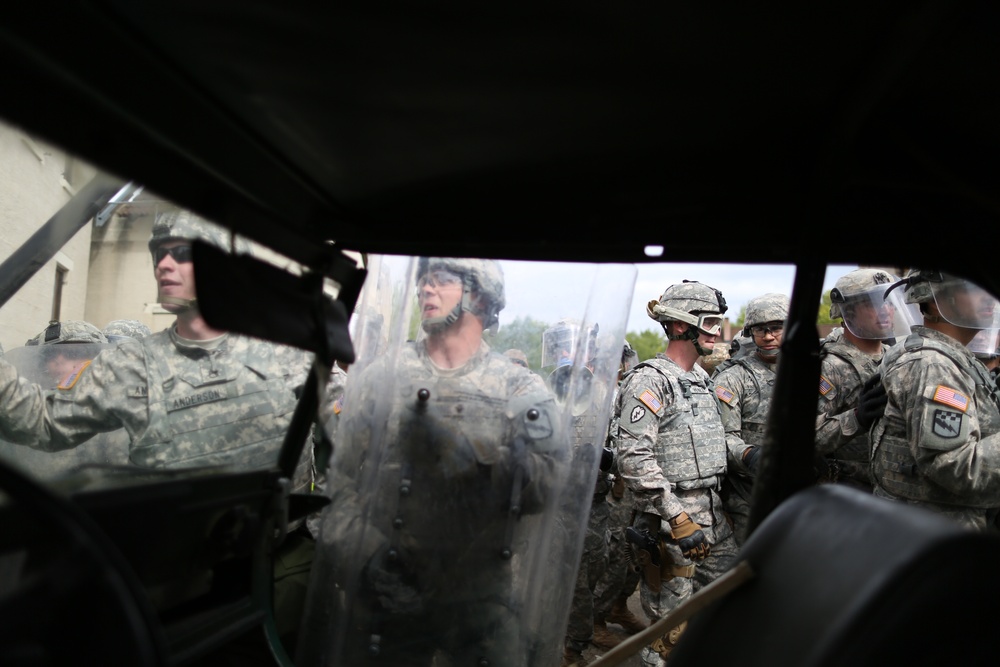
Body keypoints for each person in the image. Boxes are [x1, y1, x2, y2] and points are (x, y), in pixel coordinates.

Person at [0, 208, 340, 654]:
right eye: (159, 253)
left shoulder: (291, 350)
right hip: (175, 583)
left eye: (182, 253)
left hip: (278, 570)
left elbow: (353, 433)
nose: (163, 264)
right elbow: (44, 423)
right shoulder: (129, 363)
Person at [299, 257, 568, 667]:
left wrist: (480, 464)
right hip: (387, 594)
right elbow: (339, 489)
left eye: (441, 280)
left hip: (480, 600)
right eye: (423, 279)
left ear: (478, 294)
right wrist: (370, 557)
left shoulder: (519, 388)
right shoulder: (380, 378)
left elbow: (550, 486)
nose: (425, 288)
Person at [612, 280, 739, 666]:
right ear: (682, 326)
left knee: (726, 610)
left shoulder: (702, 380)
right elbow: (633, 457)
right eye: (710, 323)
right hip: (671, 525)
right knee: (671, 632)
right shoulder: (651, 380)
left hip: (714, 518)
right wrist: (678, 517)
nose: (717, 332)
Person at [870, 270, 1000, 531]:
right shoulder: (933, 364)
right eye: (973, 288)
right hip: (938, 535)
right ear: (936, 299)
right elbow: (954, 465)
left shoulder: (947, 356)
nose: (989, 298)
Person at [542, 320, 616, 666]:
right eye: (559, 346)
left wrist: (607, 459)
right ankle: (561, 648)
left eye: (571, 346)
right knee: (555, 579)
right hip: (553, 504)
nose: (565, 353)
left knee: (591, 575)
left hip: (593, 504)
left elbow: (626, 446)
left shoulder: (605, 395)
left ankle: (576, 642)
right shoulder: (541, 392)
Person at [815, 268, 914, 491]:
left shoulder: (898, 357)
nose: (886, 311)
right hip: (846, 493)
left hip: (895, 488)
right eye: (874, 304)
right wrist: (857, 418)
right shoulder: (828, 365)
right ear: (848, 312)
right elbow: (805, 439)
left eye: (889, 303)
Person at [713, 292, 789, 546]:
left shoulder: (812, 371)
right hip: (750, 496)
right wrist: (749, 455)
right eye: (760, 330)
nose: (768, 336)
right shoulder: (733, 379)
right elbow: (722, 438)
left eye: (776, 328)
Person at [592, 341, 648, 648]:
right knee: (611, 559)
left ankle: (618, 606)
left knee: (635, 556)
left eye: (623, 358)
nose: (621, 364)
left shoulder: (628, 390)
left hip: (635, 486)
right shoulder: (590, 396)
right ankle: (595, 619)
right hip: (611, 489)